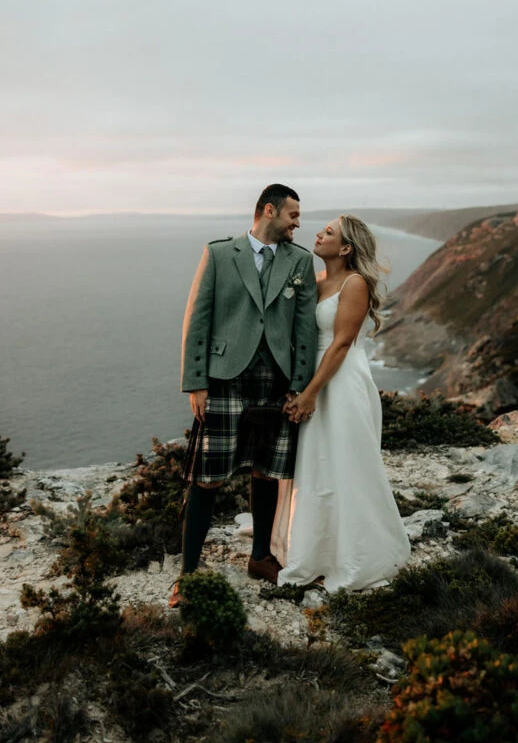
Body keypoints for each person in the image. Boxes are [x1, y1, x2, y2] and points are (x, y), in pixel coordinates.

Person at [170, 183, 318, 607]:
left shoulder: (301, 261)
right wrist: (195, 382)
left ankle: (260, 556)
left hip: (275, 381)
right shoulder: (219, 254)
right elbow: (196, 320)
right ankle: (188, 574)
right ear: (268, 211)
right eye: (292, 214)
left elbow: (304, 330)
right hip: (223, 380)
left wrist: (298, 386)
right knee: (206, 477)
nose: (298, 222)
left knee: (267, 471)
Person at [273, 215, 411, 592]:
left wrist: (310, 393)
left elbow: (341, 344)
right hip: (312, 380)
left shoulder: (356, 284)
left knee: (349, 465)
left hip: (342, 382)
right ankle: (316, 551)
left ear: (346, 248)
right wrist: (296, 386)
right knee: (316, 466)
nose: (318, 234)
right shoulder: (314, 281)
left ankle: (360, 555)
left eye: (328, 232)